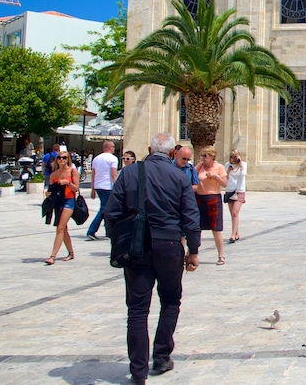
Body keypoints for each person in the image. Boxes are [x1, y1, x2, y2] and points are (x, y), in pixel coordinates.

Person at [104, 131, 201, 384]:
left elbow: (111, 212)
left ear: (149, 149)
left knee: (137, 310)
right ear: (172, 153)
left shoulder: (129, 173)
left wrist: (119, 242)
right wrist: (194, 250)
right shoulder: (179, 178)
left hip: (137, 247)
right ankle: (161, 356)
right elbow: (191, 218)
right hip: (169, 245)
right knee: (170, 300)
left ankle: (138, 371)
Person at [45, 153, 80, 264]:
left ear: (68, 159)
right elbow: (51, 190)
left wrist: (67, 183)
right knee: (63, 229)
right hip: (58, 202)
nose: (61, 160)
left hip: (69, 201)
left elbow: (76, 189)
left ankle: (52, 256)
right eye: (59, 158)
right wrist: (47, 193)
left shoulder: (72, 171)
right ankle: (71, 252)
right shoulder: (54, 174)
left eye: (64, 158)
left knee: (60, 228)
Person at [195, 146, 227, 265]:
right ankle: (193, 253)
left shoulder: (219, 167)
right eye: (202, 156)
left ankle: (221, 255)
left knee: (216, 228)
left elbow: (224, 184)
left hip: (213, 198)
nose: (203, 158)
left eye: (205, 156)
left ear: (212, 156)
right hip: (200, 198)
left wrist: (215, 177)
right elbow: (193, 176)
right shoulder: (200, 166)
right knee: (197, 227)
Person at [87, 140, 119, 241]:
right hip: (108, 187)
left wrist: (92, 189)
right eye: (113, 146)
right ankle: (91, 230)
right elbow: (113, 174)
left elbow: (93, 174)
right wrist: (117, 187)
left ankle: (108, 231)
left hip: (98, 186)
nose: (114, 148)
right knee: (104, 209)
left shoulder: (96, 158)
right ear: (109, 147)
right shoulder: (113, 159)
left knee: (106, 209)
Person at [224, 150, 246, 243]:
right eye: (232, 157)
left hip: (239, 191)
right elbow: (224, 178)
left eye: (235, 157)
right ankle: (236, 233)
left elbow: (243, 174)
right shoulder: (227, 165)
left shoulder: (243, 164)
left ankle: (233, 235)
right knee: (232, 214)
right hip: (230, 191)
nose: (234, 159)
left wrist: (240, 163)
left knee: (235, 213)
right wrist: (228, 172)